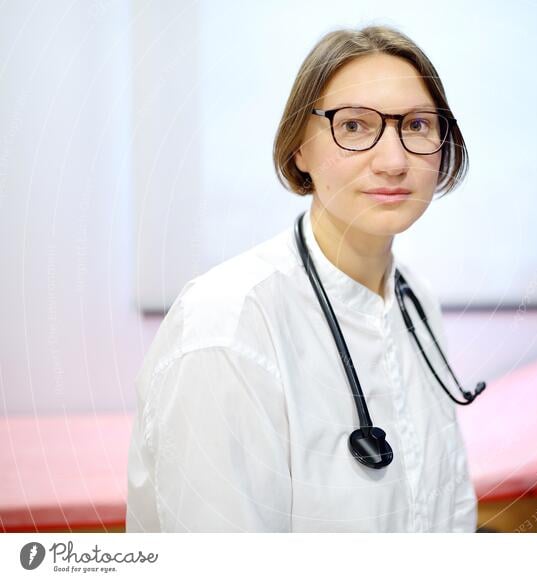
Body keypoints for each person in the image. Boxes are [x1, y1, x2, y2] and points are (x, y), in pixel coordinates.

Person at [126, 25, 477, 532]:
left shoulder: (415, 302)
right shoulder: (228, 326)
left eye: (418, 125)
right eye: (354, 126)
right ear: (299, 149)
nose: (395, 160)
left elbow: (451, 513)